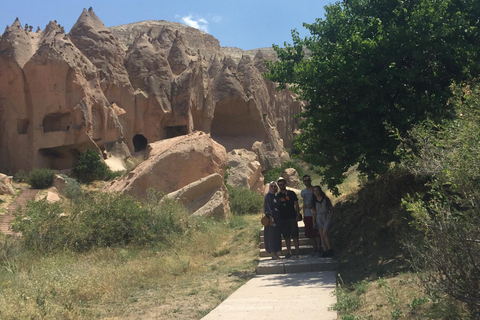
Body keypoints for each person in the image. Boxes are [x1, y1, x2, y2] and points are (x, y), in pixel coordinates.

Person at [277, 178, 300, 258]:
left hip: (292, 217)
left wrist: (297, 214)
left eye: (283, 184)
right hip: (283, 218)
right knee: (286, 236)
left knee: (295, 235)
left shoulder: (291, 193)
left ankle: (297, 252)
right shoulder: (278, 195)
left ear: (285, 184)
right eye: (280, 185)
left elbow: (296, 204)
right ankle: (289, 252)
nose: (281, 186)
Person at [301, 175, 321, 257]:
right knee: (310, 233)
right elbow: (304, 202)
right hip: (307, 213)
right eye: (305, 181)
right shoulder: (303, 192)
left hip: (315, 213)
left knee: (316, 232)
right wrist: (303, 213)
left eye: (308, 180)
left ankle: (319, 249)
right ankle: (314, 249)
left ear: (310, 180)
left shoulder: (314, 190)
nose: (307, 182)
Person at [313, 185, 334, 257]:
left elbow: (331, 207)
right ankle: (325, 250)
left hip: (326, 215)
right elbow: (313, 212)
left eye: (317, 190)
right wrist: (313, 222)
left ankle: (330, 249)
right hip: (318, 217)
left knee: (325, 233)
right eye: (314, 191)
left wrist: (331, 214)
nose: (316, 192)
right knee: (321, 235)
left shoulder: (325, 198)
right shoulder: (313, 201)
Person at [264, 181, 282, 259]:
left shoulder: (276, 196)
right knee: (271, 236)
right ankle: (273, 253)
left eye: (275, 186)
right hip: (271, 218)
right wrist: (270, 217)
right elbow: (267, 207)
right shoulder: (268, 196)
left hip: (278, 218)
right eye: (272, 186)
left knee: (277, 235)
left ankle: (276, 252)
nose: (273, 188)